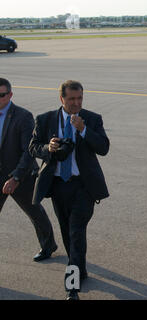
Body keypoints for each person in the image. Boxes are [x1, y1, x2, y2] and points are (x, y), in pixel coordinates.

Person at [29, 80, 109, 300]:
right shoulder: (45, 120)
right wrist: (49, 148)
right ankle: (80, 268)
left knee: (75, 231)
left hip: (84, 187)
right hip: (58, 186)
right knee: (68, 233)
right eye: (72, 99)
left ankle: (72, 287)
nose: (76, 103)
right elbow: (33, 146)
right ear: (61, 99)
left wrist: (83, 130)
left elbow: (104, 148)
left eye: (80, 98)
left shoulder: (92, 119)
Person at [0, 78, 57, 262]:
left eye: (1, 95)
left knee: (34, 212)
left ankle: (48, 245)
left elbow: (29, 151)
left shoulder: (22, 117)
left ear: (10, 95)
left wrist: (16, 177)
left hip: (21, 175)